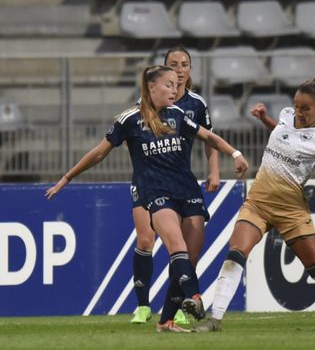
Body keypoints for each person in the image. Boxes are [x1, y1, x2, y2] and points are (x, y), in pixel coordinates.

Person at [45, 65, 249, 333]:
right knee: (177, 246)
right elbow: (98, 153)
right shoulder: (129, 120)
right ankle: (195, 297)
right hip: (157, 194)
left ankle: (166, 320)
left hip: (188, 191)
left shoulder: (178, 115)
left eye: (176, 86)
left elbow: (207, 136)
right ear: (151, 88)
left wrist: (234, 154)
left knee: (191, 255)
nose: (174, 90)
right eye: (168, 85)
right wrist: (67, 177)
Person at [194, 70, 315, 332]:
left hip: (291, 210)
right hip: (258, 202)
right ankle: (215, 320)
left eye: (305, 108)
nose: (298, 112)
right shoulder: (286, 116)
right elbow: (285, 135)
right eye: (296, 106)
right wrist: (266, 119)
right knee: (235, 254)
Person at [128, 46, 220, 326]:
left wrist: (214, 171)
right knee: (146, 239)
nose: (179, 69)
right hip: (148, 182)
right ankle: (143, 306)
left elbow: (209, 139)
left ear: (190, 70)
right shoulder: (148, 102)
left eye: (184, 64)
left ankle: (176, 310)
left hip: (180, 183)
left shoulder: (196, 104)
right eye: (173, 64)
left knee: (184, 250)